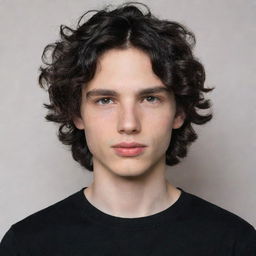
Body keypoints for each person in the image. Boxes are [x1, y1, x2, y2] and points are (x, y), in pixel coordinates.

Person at [0, 2, 255, 255]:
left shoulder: (236, 243)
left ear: (178, 112)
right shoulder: (26, 245)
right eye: (105, 100)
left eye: (150, 98)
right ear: (77, 113)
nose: (129, 124)